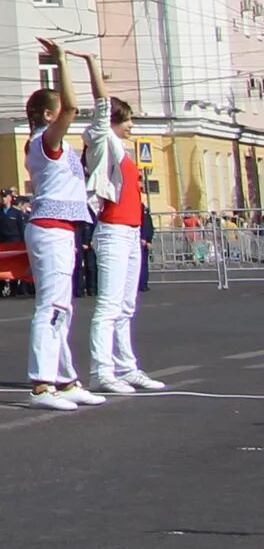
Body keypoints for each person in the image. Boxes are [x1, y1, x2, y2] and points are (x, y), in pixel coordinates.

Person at [19, 41, 104, 410]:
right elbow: (72, 106)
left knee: (62, 307)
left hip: (63, 228)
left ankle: (65, 379)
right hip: (50, 228)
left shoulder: (60, 147)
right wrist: (62, 63)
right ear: (49, 115)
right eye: (59, 113)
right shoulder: (45, 141)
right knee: (51, 306)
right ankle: (41, 384)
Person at [78, 54, 165, 394]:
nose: (131, 126)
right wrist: (91, 65)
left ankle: (126, 367)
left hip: (130, 233)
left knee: (127, 306)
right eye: (126, 120)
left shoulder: (125, 153)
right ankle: (102, 371)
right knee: (109, 305)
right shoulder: (102, 143)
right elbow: (100, 111)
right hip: (112, 231)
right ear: (113, 121)